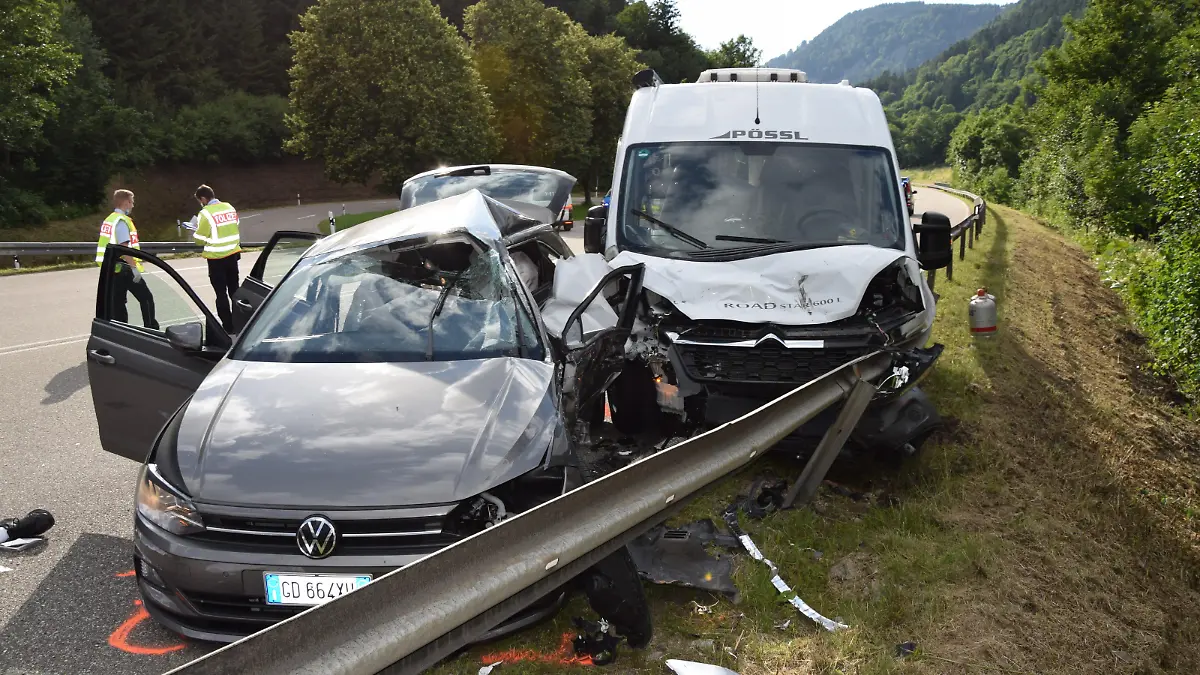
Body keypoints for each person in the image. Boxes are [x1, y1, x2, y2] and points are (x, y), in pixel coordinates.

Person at [96, 189, 158, 329]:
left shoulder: (110, 219)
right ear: (126, 202)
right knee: (146, 298)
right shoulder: (122, 221)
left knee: (118, 304)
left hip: (112, 268)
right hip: (125, 268)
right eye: (132, 202)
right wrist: (134, 268)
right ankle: (152, 329)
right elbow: (124, 248)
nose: (133, 205)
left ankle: (122, 331)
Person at [191, 184, 242, 333]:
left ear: (203, 199)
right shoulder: (229, 207)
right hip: (232, 255)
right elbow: (235, 225)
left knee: (221, 293)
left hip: (216, 259)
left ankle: (228, 327)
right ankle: (240, 321)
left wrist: (194, 230)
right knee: (234, 290)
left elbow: (199, 239)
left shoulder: (205, 213)